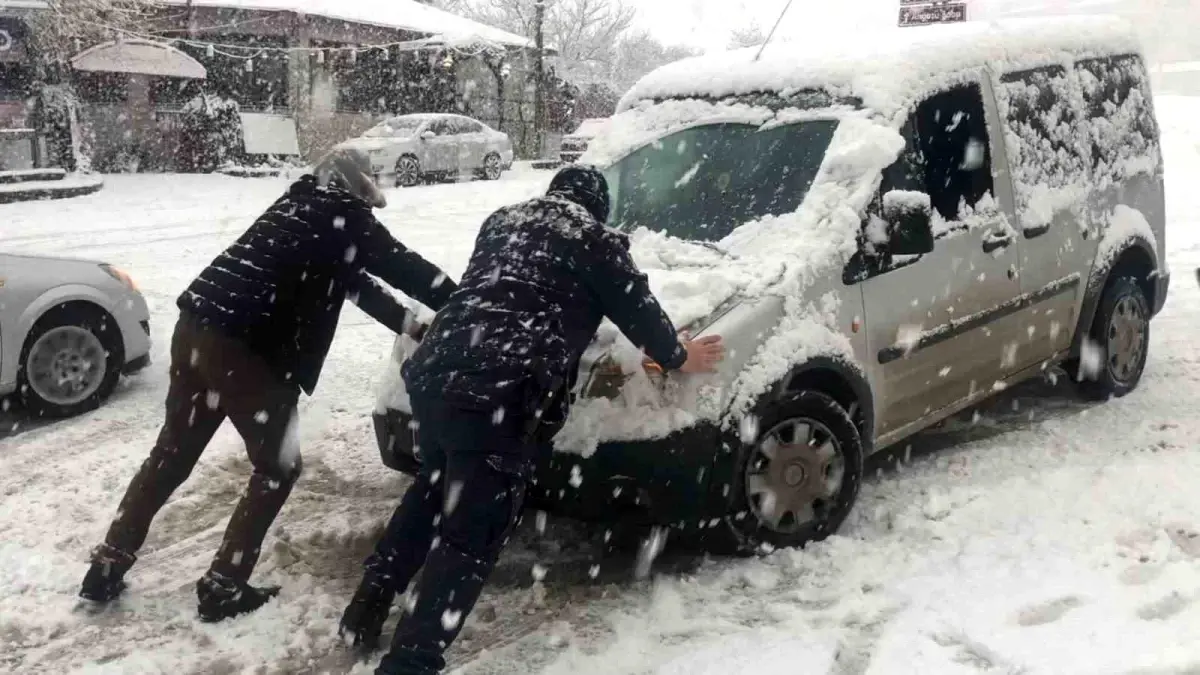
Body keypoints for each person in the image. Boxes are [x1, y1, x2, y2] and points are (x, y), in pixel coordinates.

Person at [339, 165, 726, 674]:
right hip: (498, 390)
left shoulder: (503, 222)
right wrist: (678, 356)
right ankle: (411, 663)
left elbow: (505, 292)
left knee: (432, 492)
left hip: (436, 375)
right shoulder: (593, 238)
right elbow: (638, 310)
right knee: (469, 536)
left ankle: (365, 610)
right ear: (598, 207)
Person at [78, 148, 458, 623]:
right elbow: (405, 267)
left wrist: (416, 327)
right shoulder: (344, 217)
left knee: (171, 454)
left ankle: (108, 563)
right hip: (248, 350)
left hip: (196, 330)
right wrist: (466, 299)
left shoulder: (295, 208)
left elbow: (356, 285)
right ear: (356, 190)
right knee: (278, 467)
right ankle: (223, 586)